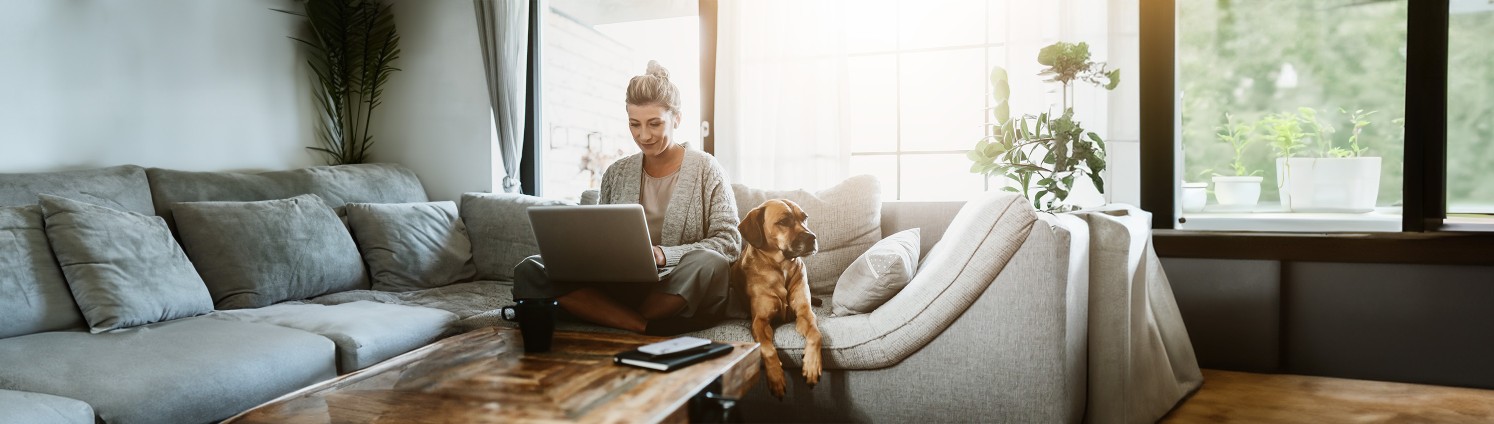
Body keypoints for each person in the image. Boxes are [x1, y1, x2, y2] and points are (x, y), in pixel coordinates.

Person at [512, 60, 742, 335]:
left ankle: (604, 314)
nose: (644, 135)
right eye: (635, 124)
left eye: (654, 124)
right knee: (530, 269)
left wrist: (663, 255)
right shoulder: (616, 173)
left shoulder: (707, 169)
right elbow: (600, 237)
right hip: (621, 286)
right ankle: (643, 326)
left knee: (710, 263)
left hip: (676, 286)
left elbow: (728, 243)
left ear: (677, 119)